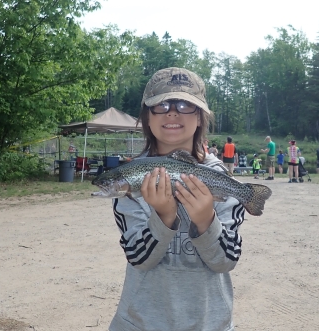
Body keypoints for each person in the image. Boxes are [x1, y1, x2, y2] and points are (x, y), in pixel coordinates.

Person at [108, 67, 245, 331]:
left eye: (185, 104)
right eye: (160, 105)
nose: (172, 111)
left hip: (209, 324)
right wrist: (163, 216)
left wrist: (206, 220)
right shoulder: (131, 180)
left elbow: (225, 261)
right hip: (140, 324)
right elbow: (139, 258)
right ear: (147, 117)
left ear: (200, 118)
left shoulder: (223, 182)